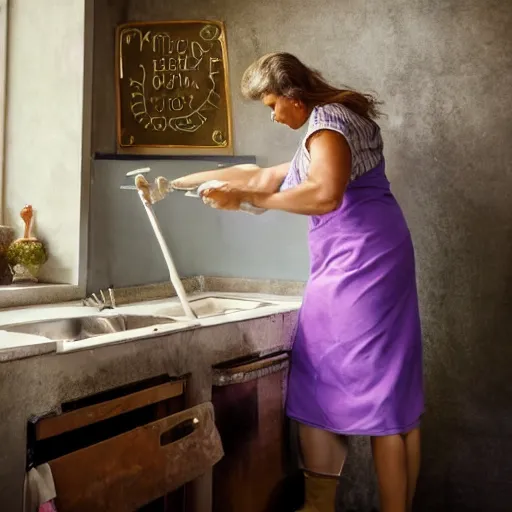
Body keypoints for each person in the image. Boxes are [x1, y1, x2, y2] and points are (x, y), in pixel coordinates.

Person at [148, 52, 424, 512]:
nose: (273, 116)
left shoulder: (329, 123)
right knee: (349, 383)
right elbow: (255, 175)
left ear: (294, 96)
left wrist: (253, 199)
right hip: (362, 259)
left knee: (383, 398)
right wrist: (173, 184)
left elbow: (323, 193)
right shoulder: (322, 131)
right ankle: (321, 503)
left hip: (363, 265)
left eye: (273, 104)